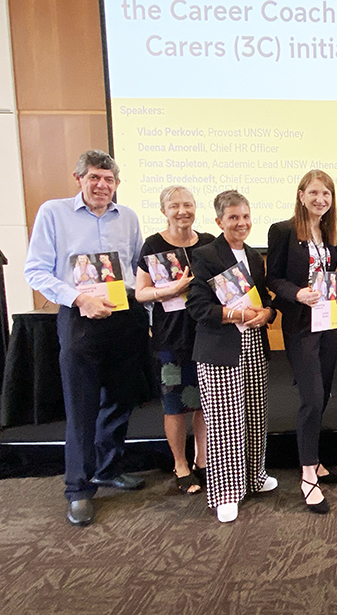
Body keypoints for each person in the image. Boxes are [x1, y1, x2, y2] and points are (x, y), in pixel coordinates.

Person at [24, 150, 149, 526]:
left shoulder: (127, 217)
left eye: (109, 179)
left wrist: (147, 315)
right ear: (78, 178)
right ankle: (78, 489)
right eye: (94, 177)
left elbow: (137, 269)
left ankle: (108, 468)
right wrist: (79, 299)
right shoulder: (53, 212)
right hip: (80, 316)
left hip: (124, 315)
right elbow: (35, 271)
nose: (101, 185)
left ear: (117, 184)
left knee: (121, 398)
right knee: (81, 406)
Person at [186, 190, 278, 523]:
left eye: (245, 216)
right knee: (225, 421)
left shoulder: (254, 256)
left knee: (255, 412)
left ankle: (255, 475)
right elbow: (197, 306)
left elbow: (265, 298)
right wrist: (236, 315)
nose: (241, 223)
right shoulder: (206, 254)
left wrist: (267, 313)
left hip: (253, 342)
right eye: (233, 217)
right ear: (219, 221)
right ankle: (226, 492)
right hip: (220, 347)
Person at [266, 170, 337, 514]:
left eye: (326, 194)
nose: (320, 200)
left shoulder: (329, 234)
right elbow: (273, 276)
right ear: (301, 195)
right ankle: (306, 475)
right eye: (314, 193)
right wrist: (296, 293)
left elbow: (328, 275)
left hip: (327, 323)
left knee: (324, 393)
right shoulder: (283, 231)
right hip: (300, 326)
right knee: (312, 397)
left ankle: (314, 459)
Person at [134, 185, 214, 495]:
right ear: (163, 210)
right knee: (174, 404)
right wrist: (171, 290)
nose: (182, 211)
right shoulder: (153, 245)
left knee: (205, 403)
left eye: (188, 204)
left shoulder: (208, 243)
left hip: (206, 334)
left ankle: (203, 461)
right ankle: (180, 464)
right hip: (170, 337)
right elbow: (141, 293)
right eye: (175, 205)